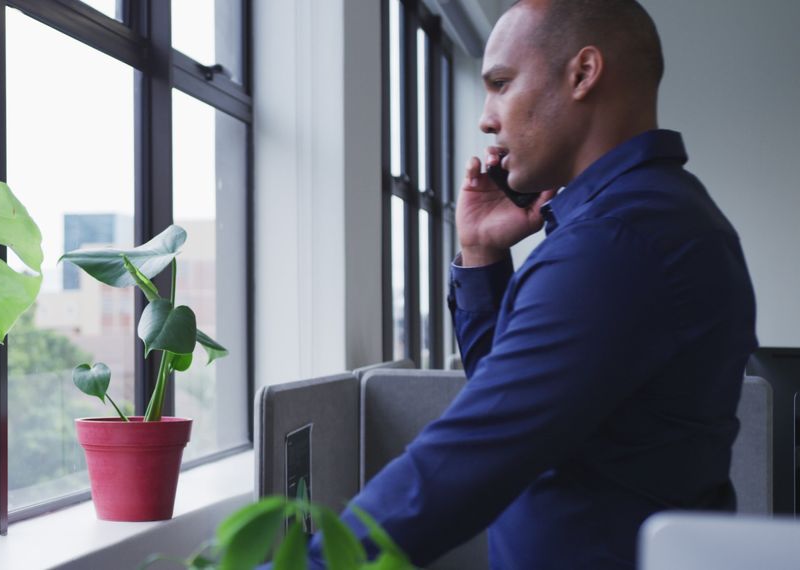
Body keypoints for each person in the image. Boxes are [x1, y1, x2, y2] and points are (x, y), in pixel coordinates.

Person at [309, 0, 757, 568]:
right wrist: (480, 253)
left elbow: (472, 456)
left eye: (500, 83)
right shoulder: (651, 219)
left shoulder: (617, 245)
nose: (486, 118)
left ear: (583, 73)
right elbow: (518, 401)